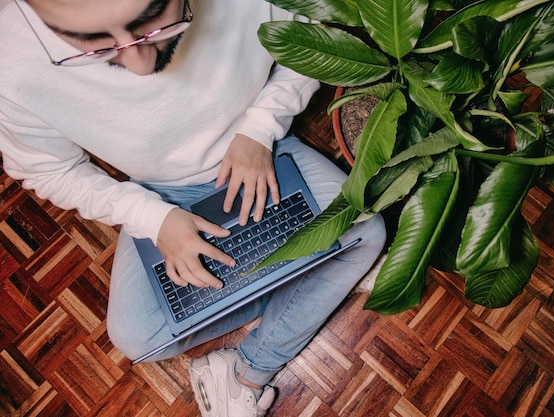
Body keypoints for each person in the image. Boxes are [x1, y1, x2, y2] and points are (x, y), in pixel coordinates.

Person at [0, 0, 386, 415]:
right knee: (138, 338)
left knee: (366, 233)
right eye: (88, 41)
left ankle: (247, 372)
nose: (140, 64)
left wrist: (260, 129)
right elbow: (49, 171)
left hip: (262, 155)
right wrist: (153, 217)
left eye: (149, 19)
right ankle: (312, 275)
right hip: (158, 192)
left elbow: (318, 42)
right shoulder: (9, 60)